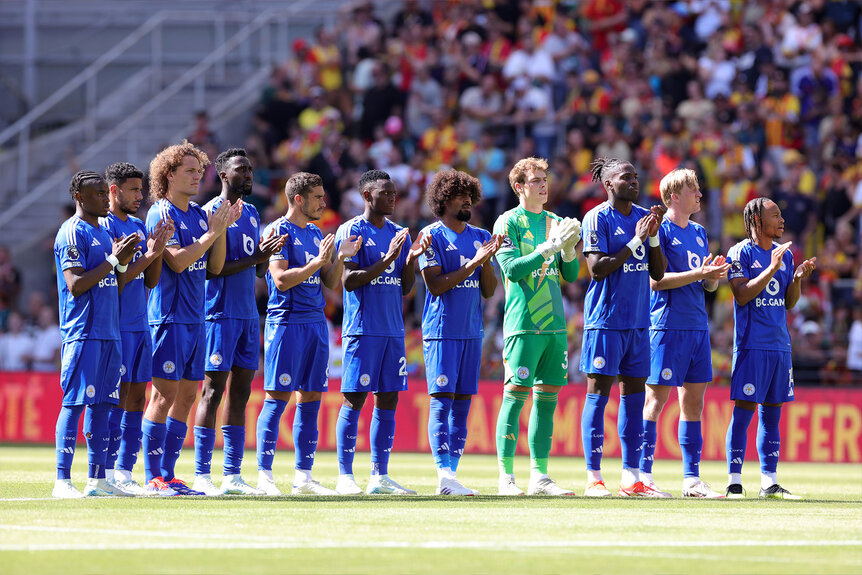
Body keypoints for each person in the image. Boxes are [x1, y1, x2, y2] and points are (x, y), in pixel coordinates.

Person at [142, 141, 241, 496]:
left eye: (200, 171)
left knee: (186, 398)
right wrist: (213, 232)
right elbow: (179, 260)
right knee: (163, 396)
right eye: (189, 171)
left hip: (196, 319)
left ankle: (168, 475)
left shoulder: (200, 214)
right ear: (168, 174)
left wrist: (223, 228)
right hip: (168, 318)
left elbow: (213, 268)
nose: (198, 177)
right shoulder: (160, 213)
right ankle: (152, 476)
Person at [255, 172, 360, 496]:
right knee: (277, 397)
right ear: (298, 199)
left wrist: (339, 257)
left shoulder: (316, 232)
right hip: (287, 323)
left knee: (311, 397)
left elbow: (329, 283)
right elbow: (281, 279)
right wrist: (317, 262)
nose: (323, 202)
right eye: (317, 197)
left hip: (316, 324)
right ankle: (264, 476)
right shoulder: (278, 231)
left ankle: (303, 476)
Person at [191, 149, 285, 496]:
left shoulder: (252, 212)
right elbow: (209, 269)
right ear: (223, 175)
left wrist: (265, 253)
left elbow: (257, 268)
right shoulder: (209, 213)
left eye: (250, 169)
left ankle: (232, 475)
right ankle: (202, 473)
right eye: (241, 170)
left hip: (248, 314)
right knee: (212, 391)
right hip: (218, 312)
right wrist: (256, 257)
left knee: (242, 394)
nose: (248, 174)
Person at [333, 170, 430, 495]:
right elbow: (347, 280)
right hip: (362, 330)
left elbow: (405, 288)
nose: (392, 197)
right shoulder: (352, 230)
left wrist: (409, 260)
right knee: (355, 398)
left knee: (388, 398)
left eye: (394, 193)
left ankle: (379, 475)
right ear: (366, 196)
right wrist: (388, 257)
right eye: (385, 193)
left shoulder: (398, 232)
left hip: (392, 330)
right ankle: (345, 475)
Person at [492, 157, 582, 496]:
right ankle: (506, 478)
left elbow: (570, 278)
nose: (543, 184)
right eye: (535, 180)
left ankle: (540, 477)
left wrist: (570, 252)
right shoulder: (508, 222)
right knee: (515, 397)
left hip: (555, 325)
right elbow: (512, 270)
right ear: (519, 187)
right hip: (523, 322)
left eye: (545, 178)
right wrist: (548, 249)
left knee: (547, 401)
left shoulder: (557, 221)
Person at [579, 157, 668, 497]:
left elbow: (657, 273)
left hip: (638, 324)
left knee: (633, 400)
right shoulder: (597, 218)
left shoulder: (644, 217)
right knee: (599, 396)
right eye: (625, 177)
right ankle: (594, 477)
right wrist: (635, 241)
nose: (634, 180)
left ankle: (632, 478)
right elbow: (598, 268)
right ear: (608, 184)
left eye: (635, 175)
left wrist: (654, 238)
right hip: (605, 321)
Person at [640, 169, 729, 498]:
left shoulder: (700, 232)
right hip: (667, 324)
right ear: (674, 196)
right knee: (656, 400)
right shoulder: (660, 231)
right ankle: (644, 476)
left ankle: (692, 480)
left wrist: (713, 276)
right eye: (694, 190)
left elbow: (705, 283)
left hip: (696, 326)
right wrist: (699, 273)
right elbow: (655, 281)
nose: (700, 195)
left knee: (693, 404)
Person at [51, 171, 140, 497]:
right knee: (74, 403)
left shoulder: (103, 231)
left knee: (104, 406)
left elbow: (112, 284)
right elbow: (76, 284)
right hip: (83, 332)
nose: (106, 198)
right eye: (99, 194)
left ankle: (97, 480)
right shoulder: (72, 232)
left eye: (106, 192)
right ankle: (62, 481)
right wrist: (114, 258)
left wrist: (121, 263)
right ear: (80, 197)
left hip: (109, 332)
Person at [724, 198, 816, 499]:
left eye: (781, 215)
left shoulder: (786, 257)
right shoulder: (740, 253)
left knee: (772, 415)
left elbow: (789, 302)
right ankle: (734, 481)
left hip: (779, 345)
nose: (782, 220)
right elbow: (741, 295)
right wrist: (771, 267)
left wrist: (798, 280)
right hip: (752, 345)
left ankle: (769, 482)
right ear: (757, 222)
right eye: (775, 215)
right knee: (744, 412)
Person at [417, 169, 500, 496]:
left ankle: (452, 475)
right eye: (459, 196)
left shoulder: (480, 235)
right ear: (443, 200)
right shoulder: (430, 236)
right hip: (441, 331)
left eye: (470, 195)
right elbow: (435, 286)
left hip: (470, 332)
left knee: (463, 401)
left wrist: (487, 262)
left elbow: (489, 291)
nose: (467, 200)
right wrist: (473, 262)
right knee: (442, 401)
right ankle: (442, 475)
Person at [100, 162, 173, 495]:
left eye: (141, 190)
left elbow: (150, 280)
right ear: (114, 191)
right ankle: (106, 470)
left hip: (140, 324)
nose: (139, 195)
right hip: (114, 327)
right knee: (115, 398)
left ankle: (125, 471)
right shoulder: (103, 226)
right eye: (133, 189)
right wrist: (152, 254)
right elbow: (117, 278)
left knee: (136, 397)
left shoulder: (141, 226)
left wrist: (156, 252)